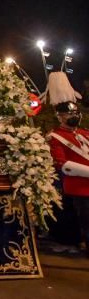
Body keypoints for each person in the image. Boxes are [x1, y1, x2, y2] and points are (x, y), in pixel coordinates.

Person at [46, 72, 89, 257]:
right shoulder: (55, 136)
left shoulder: (84, 133)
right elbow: (62, 163)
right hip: (77, 185)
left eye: (75, 113)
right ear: (59, 116)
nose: (73, 116)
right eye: (68, 114)